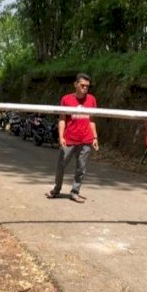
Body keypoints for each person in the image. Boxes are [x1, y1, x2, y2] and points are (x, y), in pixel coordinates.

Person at [45, 73, 98, 203]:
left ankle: (75, 192)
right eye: (82, 85)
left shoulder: (91, 100)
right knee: (61, 166)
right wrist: (61, 136)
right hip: (69, 139)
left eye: (87, 86)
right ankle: (56, 189)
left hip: (86, 139)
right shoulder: (66, 99)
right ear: (75, 85)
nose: (85, 88)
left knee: (81, 168)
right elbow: (62, 119)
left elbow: (92, 120)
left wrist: (95, 137)